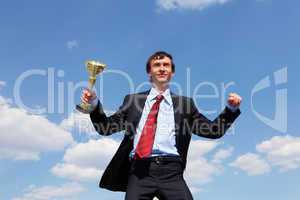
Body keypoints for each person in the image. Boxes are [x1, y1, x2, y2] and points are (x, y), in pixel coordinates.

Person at [81, 51, 242, 200]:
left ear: (172, 72)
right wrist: (94, 104)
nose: (162, 68)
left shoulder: (185, 104)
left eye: (166, 65)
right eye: (157, 65)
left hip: (172, 172)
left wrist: (230, 109)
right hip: (139, 171)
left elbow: (213, 131)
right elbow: (105, 128)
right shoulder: (132, 101)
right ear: (149, 72)